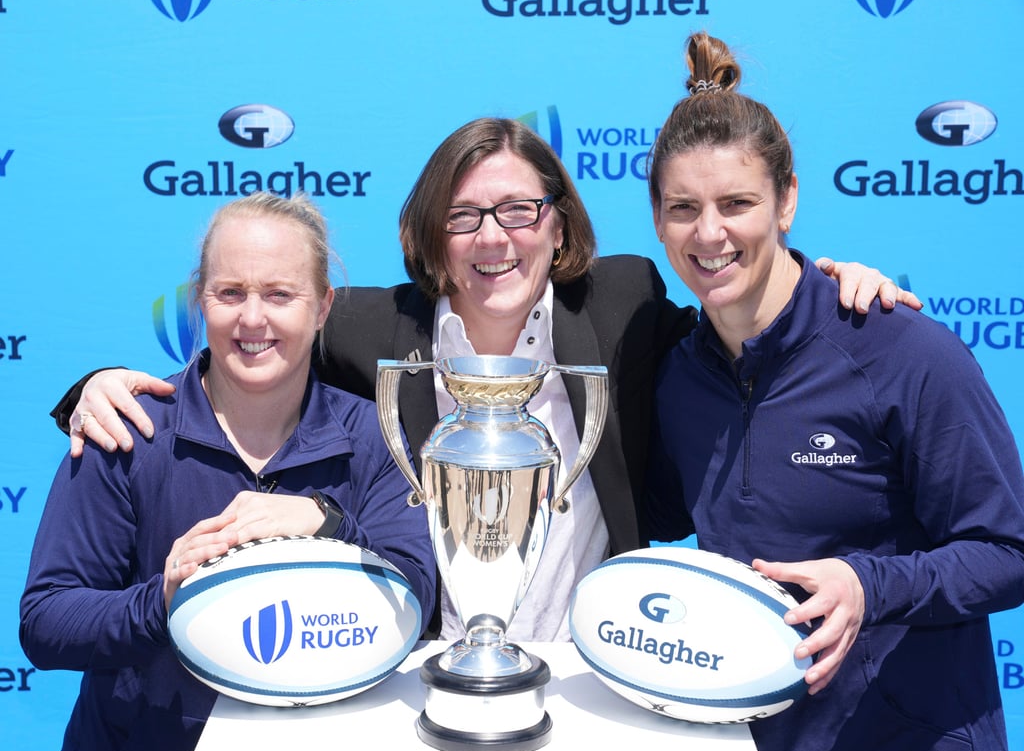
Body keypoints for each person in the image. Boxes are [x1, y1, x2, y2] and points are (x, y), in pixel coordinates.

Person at [49, 118, 919, 643]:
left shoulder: (625, 301)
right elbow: (248, 345)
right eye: (464, 216)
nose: (493, 238)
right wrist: (92, 385)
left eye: (518, 211)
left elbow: (748, 321)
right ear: (432, 235)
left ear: (556, 222)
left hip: (590, 673)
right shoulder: (361, 325)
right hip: (416, 677)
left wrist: (831, 282)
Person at [644, 31, 1024, 751]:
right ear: (658, 219)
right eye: (683, 207)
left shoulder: (902, 350)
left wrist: (867, 585)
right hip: (753, 739)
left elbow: (1008, 547)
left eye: (737, 201)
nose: (711, 232)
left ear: (787, 201)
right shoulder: (676, 376)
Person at [21, 192, 435, 751]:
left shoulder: (372, 434)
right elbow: (46, 621)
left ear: (321, 308)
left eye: (280, 294)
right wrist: (161, 600)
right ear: (201, 301)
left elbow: (417, 593)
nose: (252, 318)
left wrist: (330, 525)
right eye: (230, 292)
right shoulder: (127, 430)